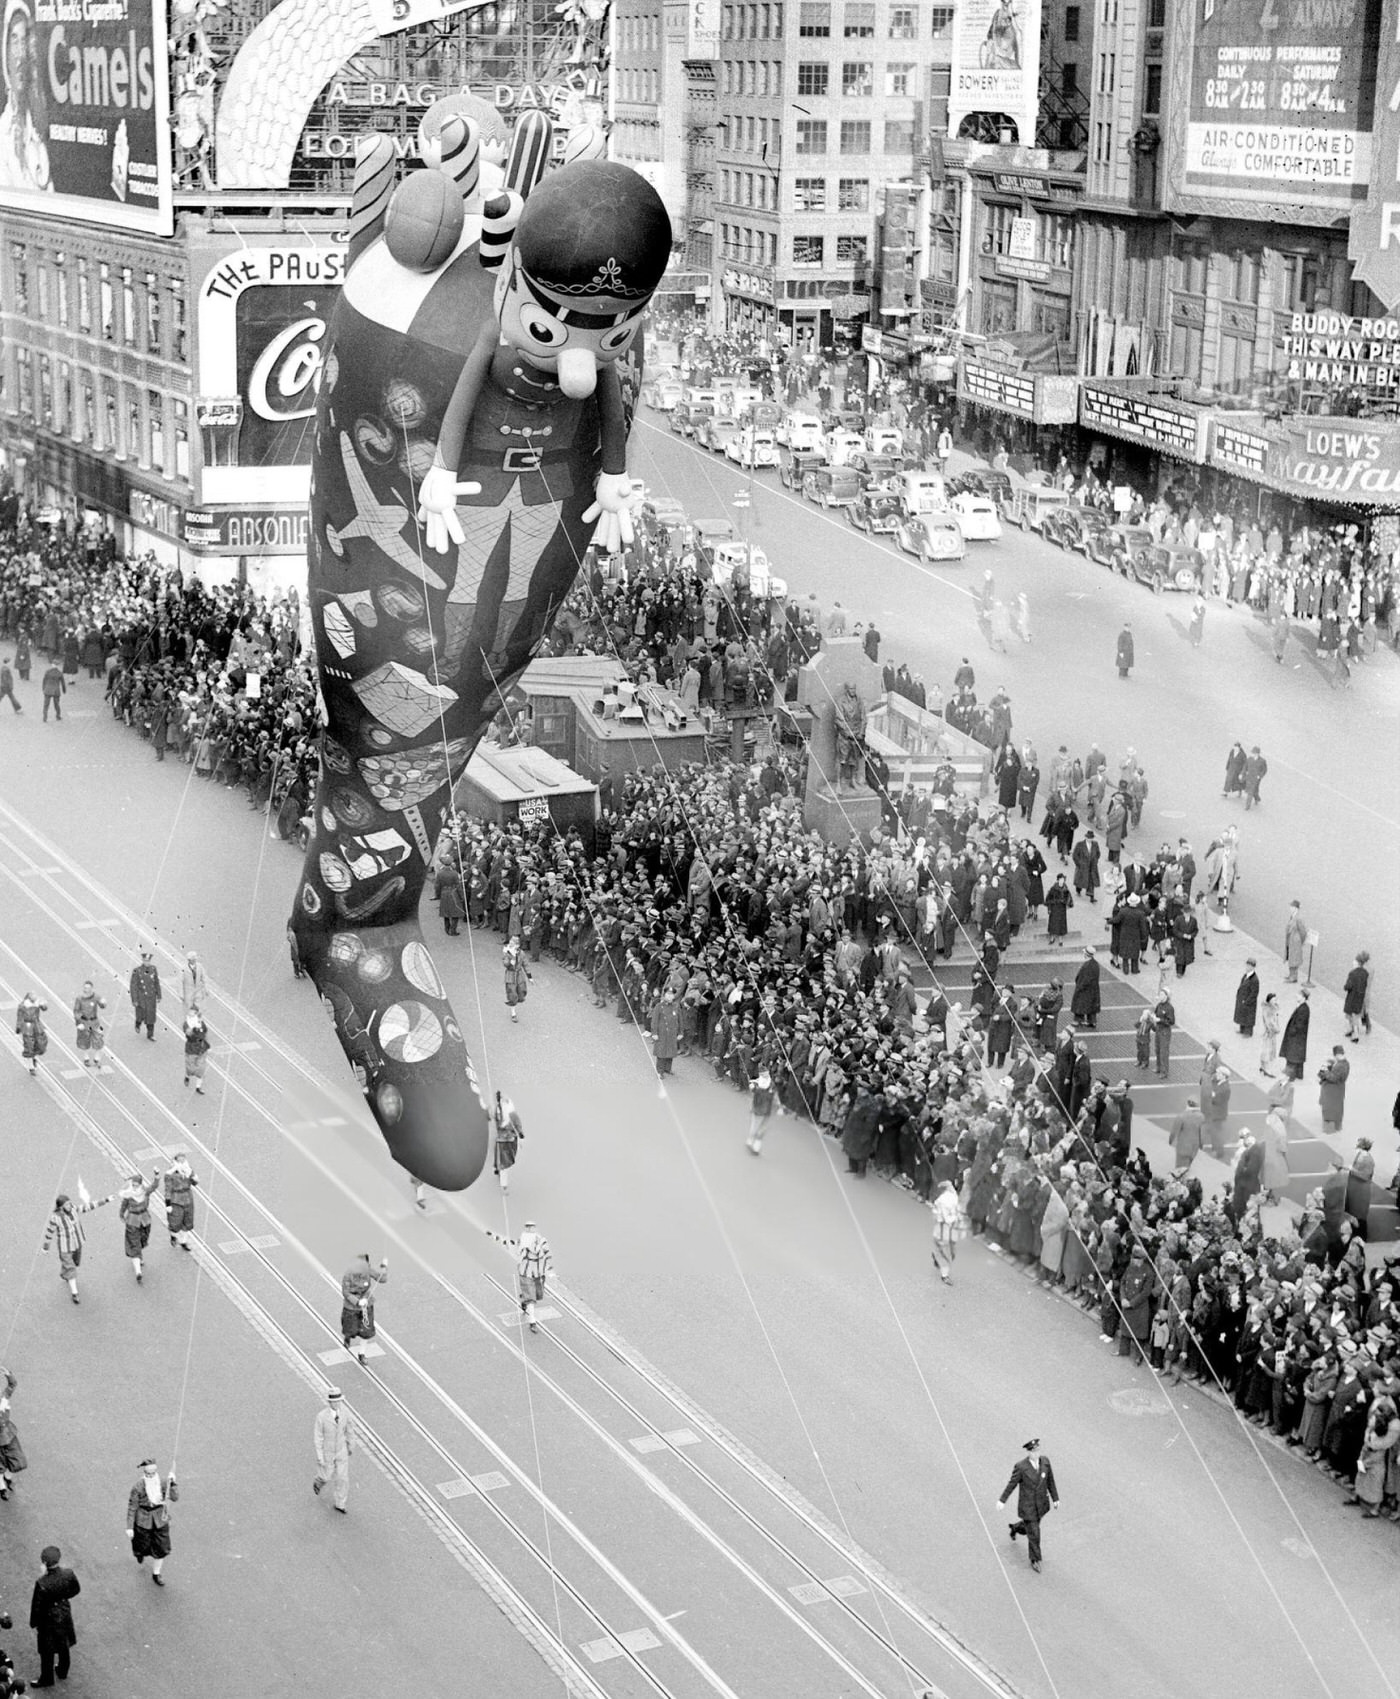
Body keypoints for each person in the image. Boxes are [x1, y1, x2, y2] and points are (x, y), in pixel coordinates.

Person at [996, 1437, 1059, 1573]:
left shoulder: (1045, 1462)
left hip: (1041, 1505)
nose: (1036, 1454)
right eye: (1033, 1452)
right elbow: (1012, 1484)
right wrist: (1002, 1500)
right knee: (1035, 1533)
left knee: (1029, 1529)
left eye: (1038, 1451)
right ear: (1029, 1452)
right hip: (1028, 1507)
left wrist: (1055, 1498)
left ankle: (1015, 1528)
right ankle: (1035, 1559)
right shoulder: (1021, 1467)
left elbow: (1050, 1481)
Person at [41, 1189, 112, 1304]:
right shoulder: (56, 1218)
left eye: (69, 1203)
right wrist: (45, 1247)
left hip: (77, 1243)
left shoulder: (74, 1209)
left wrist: (105, 1200)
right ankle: (75, 1293)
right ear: (60, 1207)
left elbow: (88, 1207)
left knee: (75, 1263)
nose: (69, 1206)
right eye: (66, 1205)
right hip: (65, 1248)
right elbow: (49, 1232)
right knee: (71, 1269)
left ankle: (65, 1273)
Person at [30, 1545, 80, 1689]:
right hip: (63, 1613)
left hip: (47, 1620)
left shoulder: (42, 1583)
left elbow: (37, 1606)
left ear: (45, 1563)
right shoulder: (68, 1574)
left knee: (47, 1651)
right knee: (64, 1644)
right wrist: (63, 1598)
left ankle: (46, 1678)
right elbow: (76, 1589)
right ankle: (62, 1670)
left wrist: (34, 1622)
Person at [126, 1458, 179, 1585]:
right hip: (143, 1519)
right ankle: (139, 1553)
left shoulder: (163, 1482)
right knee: (142, 1546)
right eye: (147, 1474)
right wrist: (129, 1527)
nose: (150, 1476)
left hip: (160, 1518)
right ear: (144, 1473)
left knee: (162, 1547)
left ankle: (156, 1573)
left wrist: (172, 1484)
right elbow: (132, 1507)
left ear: (156, 1472)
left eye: (152, 1474)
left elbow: (175, 1498)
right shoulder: (138, 1487)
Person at [341, 1253, 388, 1365]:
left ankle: (361, 1353)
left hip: (366, 1305)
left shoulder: (368, 1270)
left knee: (366, 1331)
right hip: (351, 1307)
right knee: (350, 1329)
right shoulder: (348, 1274)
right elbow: (346, 1292)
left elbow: (382, 1279)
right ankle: (348, 1337)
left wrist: (384, 1266)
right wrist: (357, 1302)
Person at [313, 1386, 353, 1513]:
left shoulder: (345, 1413)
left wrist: (351, 1445)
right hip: (328, 1452)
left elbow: (349, 1429)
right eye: (334, 1402)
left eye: (338, 1401)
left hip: (341, 1450)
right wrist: (320, 1455)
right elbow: (318, 1437)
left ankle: (340, 1503)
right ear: (329, 1402)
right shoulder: (321, 1417)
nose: (336, 1404)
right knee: (326, 1476)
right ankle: (319, 1481)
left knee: (342, 1478)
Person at [118, 1170, 161, 1284]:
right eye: (133, 1185)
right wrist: (121, 1215)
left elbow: (154, 1186)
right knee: (134, 1243)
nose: (134, 1187)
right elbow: (124, 1205)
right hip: (132, 1221)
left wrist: (157, 1175)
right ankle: (138, 1271)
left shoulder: (145, 1191)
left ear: (141, 1185)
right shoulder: (129, 1194)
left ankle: (139, 1256)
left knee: (142, 1240)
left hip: (145, 1220)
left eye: (136, 1185)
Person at [517, 1219, 552, 1333]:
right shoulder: (522, 1240)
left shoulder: (542, 1240)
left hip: (537, 1271)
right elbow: (515, 1248)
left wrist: (549, 1269)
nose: (529, 1229)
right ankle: (532, 1322)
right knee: (531, 1299)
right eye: (527, 1227)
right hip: (525, 1271)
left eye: (531, 1227)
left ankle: (524, 1300)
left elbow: (547, 1253)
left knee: (537, 1294)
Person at [0, 1365, 28, 1499]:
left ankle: (7, 1477)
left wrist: (8, 1374)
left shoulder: (3, 1400)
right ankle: (2, 1488)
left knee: (18, 1461)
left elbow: (12, 1385)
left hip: (8, 1435)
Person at [929, 1179, 964, 1284]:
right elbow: (946, 1218)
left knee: (948, 1249)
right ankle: (944, 1275)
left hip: (946, 1227)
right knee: (947, 1251)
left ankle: (937, 1256)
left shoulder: (948, 1197)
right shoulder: (945, 1200)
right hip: (944, 1227)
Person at [163, 1151, 198, 1251]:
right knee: (175, 1222)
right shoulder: (170, 1174)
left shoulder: (188, 1171)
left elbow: (195, 1183)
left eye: (183, 1161)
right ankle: (173, 1236)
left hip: (188, 1198)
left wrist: (193, 1176)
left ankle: (184, 1241)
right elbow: (168, 1189)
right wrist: (168, 1204)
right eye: (180, 1161)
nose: (182, 1163)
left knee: (188, 1221)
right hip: (176, 1200)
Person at [492, 1091, 523, 1192]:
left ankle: (502, 1180)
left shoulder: (509, 1111)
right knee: (502, 1161)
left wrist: (520, 1133)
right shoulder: (498, 1109)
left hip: (508, 1139)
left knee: (505, 1161)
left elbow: (516, 1123)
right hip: (503, 1140)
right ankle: (503, 1183)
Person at [71, 980, 106, 1069]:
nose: (86, 989)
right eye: (85, 987)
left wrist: (103, 1003)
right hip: (84, 1022)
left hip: (94, 1022)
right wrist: (78, 1023)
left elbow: (102, 1005)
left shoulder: (95, 997)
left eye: (88, 988)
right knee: (84, 1040)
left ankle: (97, 1058)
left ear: (91, 988)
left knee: (98, 1039)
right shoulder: (79, 998)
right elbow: (76, 1011)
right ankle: (86, 1057)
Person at [1346, 1138, 1375, 1241]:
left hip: (1361, 1191)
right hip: (1355, 1189)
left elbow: (1365, 1176)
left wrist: (1352, 1170)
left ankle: (1361, 1236)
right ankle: (1354, 1233)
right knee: (1353, 1211)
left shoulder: (1367, 1159)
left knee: (1359, 1213)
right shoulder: (1361, 1155)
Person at [129, 947, 161, 1040]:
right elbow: (133, 986)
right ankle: (137, 1024)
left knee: (151, 1016)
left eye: (148, 961)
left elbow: (156, 982)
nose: (147, 962)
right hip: (141, 998)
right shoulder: (137, 971)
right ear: (142, 960)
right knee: (140, 1015)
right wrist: (134, 999)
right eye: (145, 960)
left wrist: (159, 995)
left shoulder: (153, 969)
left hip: (151, 997)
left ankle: (150, 1034)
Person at [1318, 1045, 1350, 1134]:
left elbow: (1334, 1078)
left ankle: (1330, 1130)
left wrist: (1325, 1073)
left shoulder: (1342, 1065)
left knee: (1330, 1111)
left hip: (1334, 1093)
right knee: (1333, 1110)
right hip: (1333, 1092)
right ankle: (1334, 1128)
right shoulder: (1341, 1063)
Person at [1280, 989, 1310, 1081]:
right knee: (1297, 1056)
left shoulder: (1303, 1009)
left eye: (1299, 995)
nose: (1297, 996)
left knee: (1293, 1055)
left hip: (1296, 1037)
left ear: (1303, 998)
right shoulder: (1303, 1007)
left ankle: (1290, 1074)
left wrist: (1292, 1031)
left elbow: (1299, 1024)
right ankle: (1298, 1074)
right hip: (1299, 1037)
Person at [650, 984, 679, 1077]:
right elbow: (654, 1021)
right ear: (664, 995)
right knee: (661, 1053)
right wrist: (654, 1033)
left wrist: (681, 1032)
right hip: (662, 1033)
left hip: (672, 1033)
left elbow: (680, 1020)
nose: (670, 997)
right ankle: (660, 1071)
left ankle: (667, 1068)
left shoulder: (676, 1006)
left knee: (671, 1051)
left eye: (671, 995)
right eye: (668, 994)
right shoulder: (659, 1006)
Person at [16, 992, 47, 1075]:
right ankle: (31, 1066)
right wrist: (18, 1028)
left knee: (40, 1044)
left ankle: (33, 1056)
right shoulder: (22, 1006)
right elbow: (20, 1017)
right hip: (27, 1026)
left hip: (37, 1026)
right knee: (29, 1046)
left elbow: (45, 1008)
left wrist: (43, 1004)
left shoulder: (37, 1003)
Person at [1070, 947, 1101, 1030]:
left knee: (1079, 1003)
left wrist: (1079, 987)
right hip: (1094, 989)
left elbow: (1084, 979)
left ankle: (1078, 1020)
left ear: (1086, 954)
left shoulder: (1087, 966)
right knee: (1091, 1005)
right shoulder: (1095, 964)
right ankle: (1092, 1021)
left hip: (1084, 989)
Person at [747, 1067, 776, 1154]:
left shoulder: (771, 1084)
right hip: (758, 1107)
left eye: (766, 1074)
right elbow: (755, 1094)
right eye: (763, 1074)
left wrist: (755, 1090)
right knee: (755, 1126)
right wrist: (753, 1089)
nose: (766, 1076)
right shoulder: (756, 1083)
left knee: (763, 1128)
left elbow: (770, 1096)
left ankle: (756, 1146)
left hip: (767, 1109)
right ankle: (750, 1140)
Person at [1343, 952, 1370, 1043]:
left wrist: (1345, 987)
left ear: (1358, 962)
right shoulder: (1365, 973)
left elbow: (1348, 986)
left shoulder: (1352, 973)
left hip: (1352, 997)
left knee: (1351, 1015)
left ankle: (1355, 1033)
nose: (1353, 962)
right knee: (1354, 1014)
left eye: (1354, 960)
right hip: (1359, 998)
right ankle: (1352, 1030)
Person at [503, 935, 530, 1023]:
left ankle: (517, 999)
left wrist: (529, 976)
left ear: (517, 945)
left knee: (522, 993)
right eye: (510, 943)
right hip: (510, 975)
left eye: (513, 944)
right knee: (512, 995)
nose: (510, 945)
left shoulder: (521, 953)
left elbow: (525, 964)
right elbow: (505, 963)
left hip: (519, 975)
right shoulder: (507, 952)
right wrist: (509, 962)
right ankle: (513, 1013)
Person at [183, 1009, 210, 1093]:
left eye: (194, 1013)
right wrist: (195, 1029)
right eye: (191, 1012)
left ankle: (198, 1087)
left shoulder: (200, 1022)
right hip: (192, 1048)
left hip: (202, 1048)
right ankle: (187, 1075)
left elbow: (205, 1031)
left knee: (201, 1068)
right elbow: (189, 1034)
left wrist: (200, 1024)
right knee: (190, 1067)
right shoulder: (186, 1024)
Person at [1234, 959, 1260, 1037]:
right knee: (1242, 1014)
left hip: (1249, 1002)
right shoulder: (1245, 975)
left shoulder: (1255, 979)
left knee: (1248, 1017)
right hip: (1242, 999)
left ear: (1253, 967)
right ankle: (1242, 1029)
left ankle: (1248, 1032)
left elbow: (1254, 993)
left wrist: (1247, 1001)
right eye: (1247, 965)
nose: (1247, 967)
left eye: (1249, 966)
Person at [1153, 990, 1176, 1076]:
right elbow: (1155, 1013)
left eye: (1162, 994)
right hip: (1158, 1029)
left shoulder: (1169, 1008)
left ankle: (1164, 1071)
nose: (1160, 996)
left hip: (1165, 1032)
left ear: (1166, 996)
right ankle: (1158, 1067)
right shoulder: (1159, 1005)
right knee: (1157, 1049)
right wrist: (1153, 1017)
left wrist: (1160, 1020)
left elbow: (1171, 1021)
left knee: (1164, 1052)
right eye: (1159, 994)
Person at [1283, 902, 1307, 982]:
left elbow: (1303, 932)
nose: (1290, 908)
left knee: (1294, 959)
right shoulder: (1292, 916)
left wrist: (1300, 941)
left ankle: (1293, 977)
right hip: (1290, 941)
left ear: (1296, 908)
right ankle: (1291, 975)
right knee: (1290, 957)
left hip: (1295, 942)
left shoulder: (1298, 918)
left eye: (1292, 907)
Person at [180, 949, 208, 1015]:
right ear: (189, 960)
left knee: (198, 1011)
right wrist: (181, 994)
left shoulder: (200, 967)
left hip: (197, 992)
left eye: (195, 959)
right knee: (189, 1012)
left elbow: (204, 978)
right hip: (188, 993)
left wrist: (206, 989)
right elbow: (180, 981)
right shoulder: (183, 968)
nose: (194, 960)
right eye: (192, 959)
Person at [1259, 991, 1281, 1075]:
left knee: (1266, 1051)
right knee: (1268, 1052)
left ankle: (1263, 1067)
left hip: (1268, 1034)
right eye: (1274, 1000)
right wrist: (1277, 1029)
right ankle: (1267, 1069)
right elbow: (1270, 1023)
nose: (1276, 1001)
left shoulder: (1269, 1009)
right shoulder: (1269, 1011)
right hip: (1269, 1034)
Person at [1242, 746, 1267, 810]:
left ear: (1258, 753)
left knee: (1252, 791)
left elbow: (1264, 770)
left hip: (1256, 779)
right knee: (1252, 791)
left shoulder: (1262, 761)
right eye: (1252, 753)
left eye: (1254, 753)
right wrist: (1243, 773)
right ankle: (1253, 801)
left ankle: (1250, 803)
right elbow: (1245, 766)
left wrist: (1260, 776)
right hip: (1249, 777)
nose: (1253, 754)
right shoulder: (1249, 759)